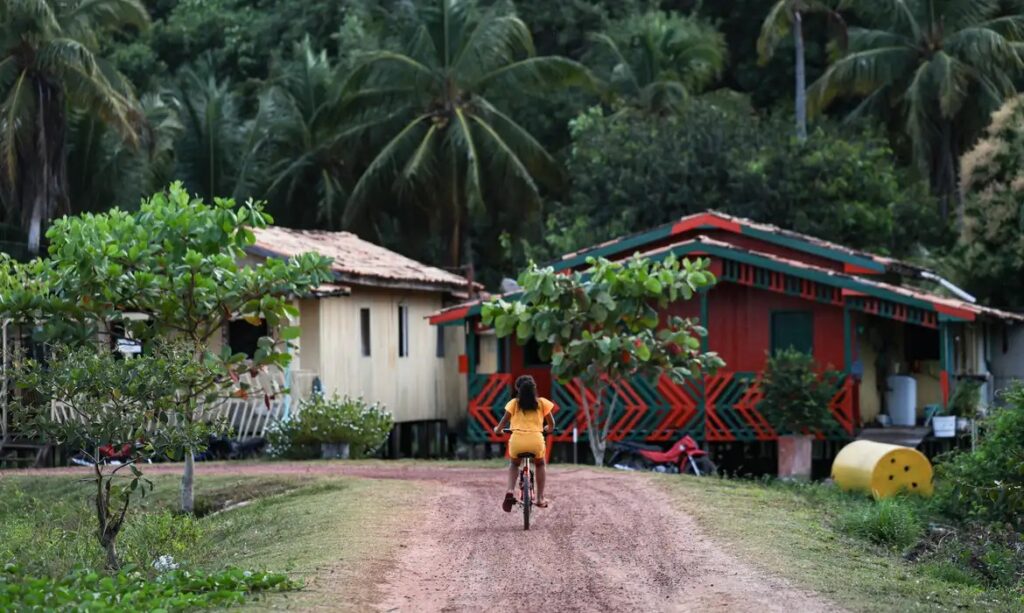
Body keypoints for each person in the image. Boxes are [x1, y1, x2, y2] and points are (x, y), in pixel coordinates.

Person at [492, 375, 555, 511]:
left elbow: (501, 424)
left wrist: (497, 430)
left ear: (517, 389)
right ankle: (539, 498)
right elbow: (551, 424)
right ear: (534, 388)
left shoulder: (514, 403)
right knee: (540, 463)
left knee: (514, 464)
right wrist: (547, 429)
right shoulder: (542, 403)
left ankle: (509, 490)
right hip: (536, 441)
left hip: (517, 441)